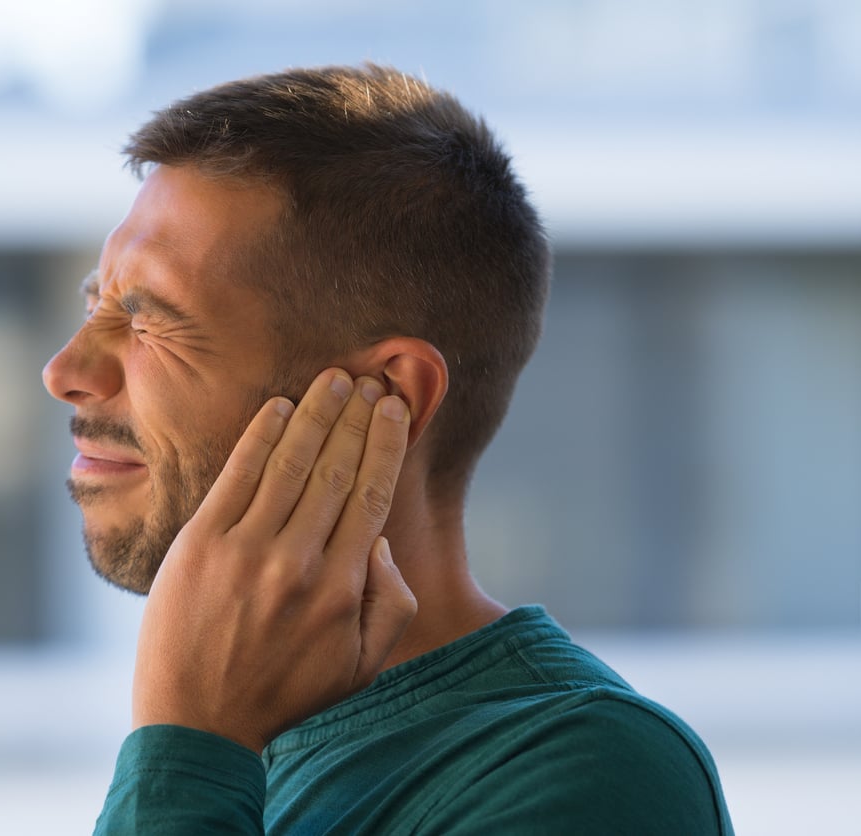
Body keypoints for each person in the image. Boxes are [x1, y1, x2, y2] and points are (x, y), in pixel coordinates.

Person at [42, 63, 733, 834]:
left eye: (149, 318)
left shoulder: (590, 771)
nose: (66, 371)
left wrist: (186, 753)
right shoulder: (241, 733)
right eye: (93, 303)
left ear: (388, 398)